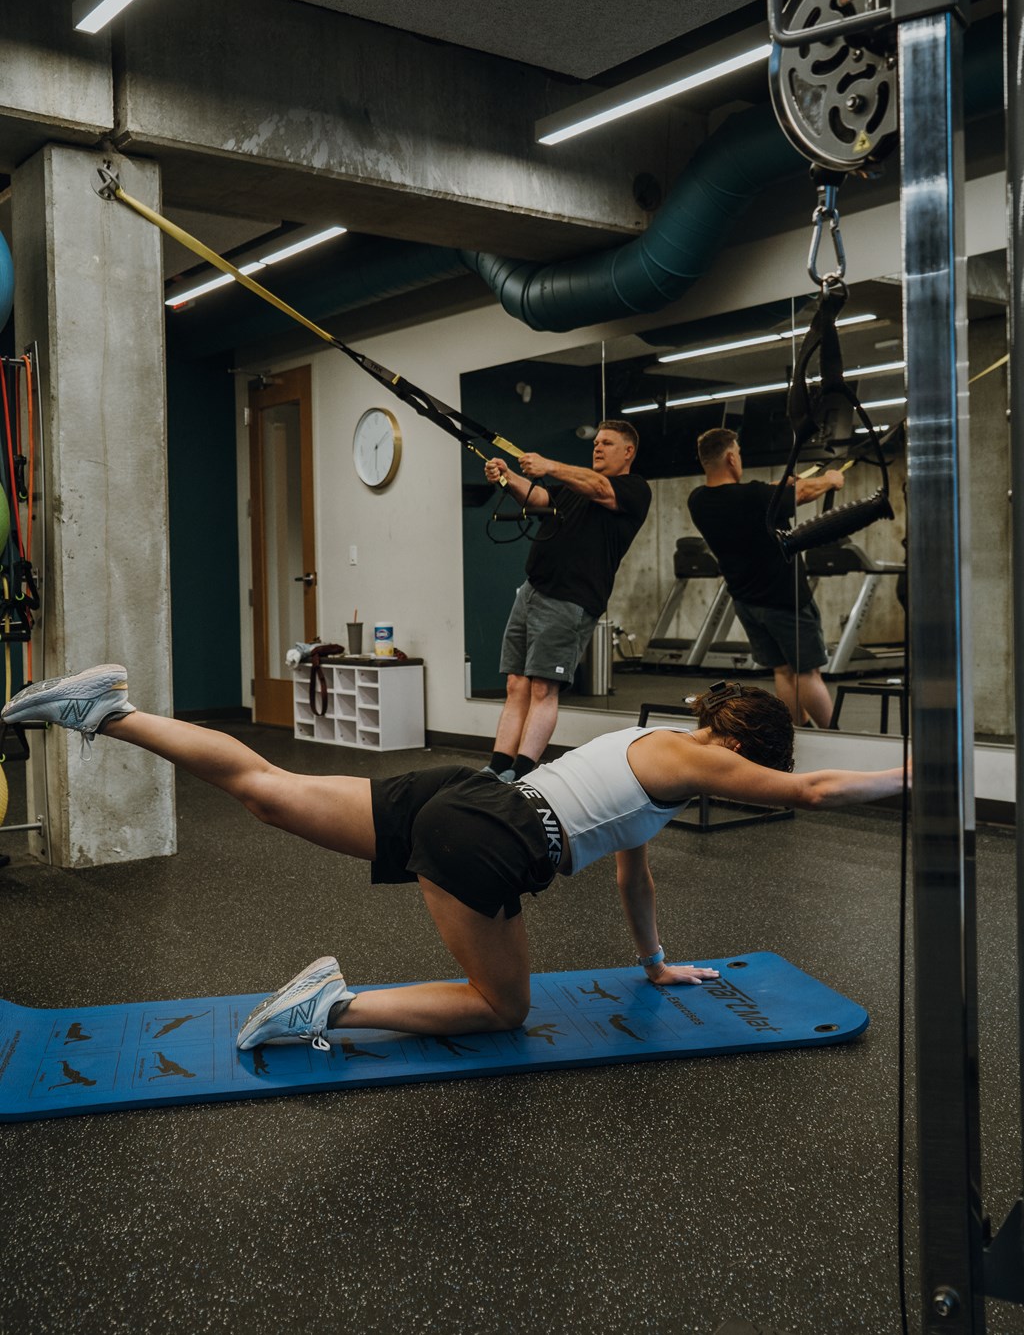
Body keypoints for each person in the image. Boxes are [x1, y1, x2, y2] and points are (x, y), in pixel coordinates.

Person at [1, 665, 906, 1051]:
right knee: (502, 1010)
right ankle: (332, 1005)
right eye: (759, 767)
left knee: (265, 790)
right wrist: (917, 771)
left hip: (464, 794)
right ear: (741, 745)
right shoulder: (692, 756)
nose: (754, 782)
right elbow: (818, 793)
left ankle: (103, 711)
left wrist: (656, 962)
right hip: (491, 839)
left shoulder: (661, 756)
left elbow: (635, 867)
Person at [482, 420, 651, 782]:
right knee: (516, 683)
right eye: (596, 442)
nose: (598, 447)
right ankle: (497, 767)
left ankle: (522, 772)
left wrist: (550, 466)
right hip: (532, 590)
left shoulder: (633, 489)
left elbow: (602, 489)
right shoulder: (577, 487)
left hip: (570, 599)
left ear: (628, 451)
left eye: (607, 442)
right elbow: (542, 499)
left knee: (543, 687)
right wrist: (508, 476)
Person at [687, 427, 845, 728]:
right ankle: (836, 736)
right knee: (807, 672)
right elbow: (802, 493)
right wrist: (830, 480)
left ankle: (797, 730)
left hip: (747, 601)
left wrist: (778, 488)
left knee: (783, 669)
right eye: (739, 453)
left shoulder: (699, 500)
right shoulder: (756, 497)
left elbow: (752, 498)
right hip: (784, 599)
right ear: (732, 458)